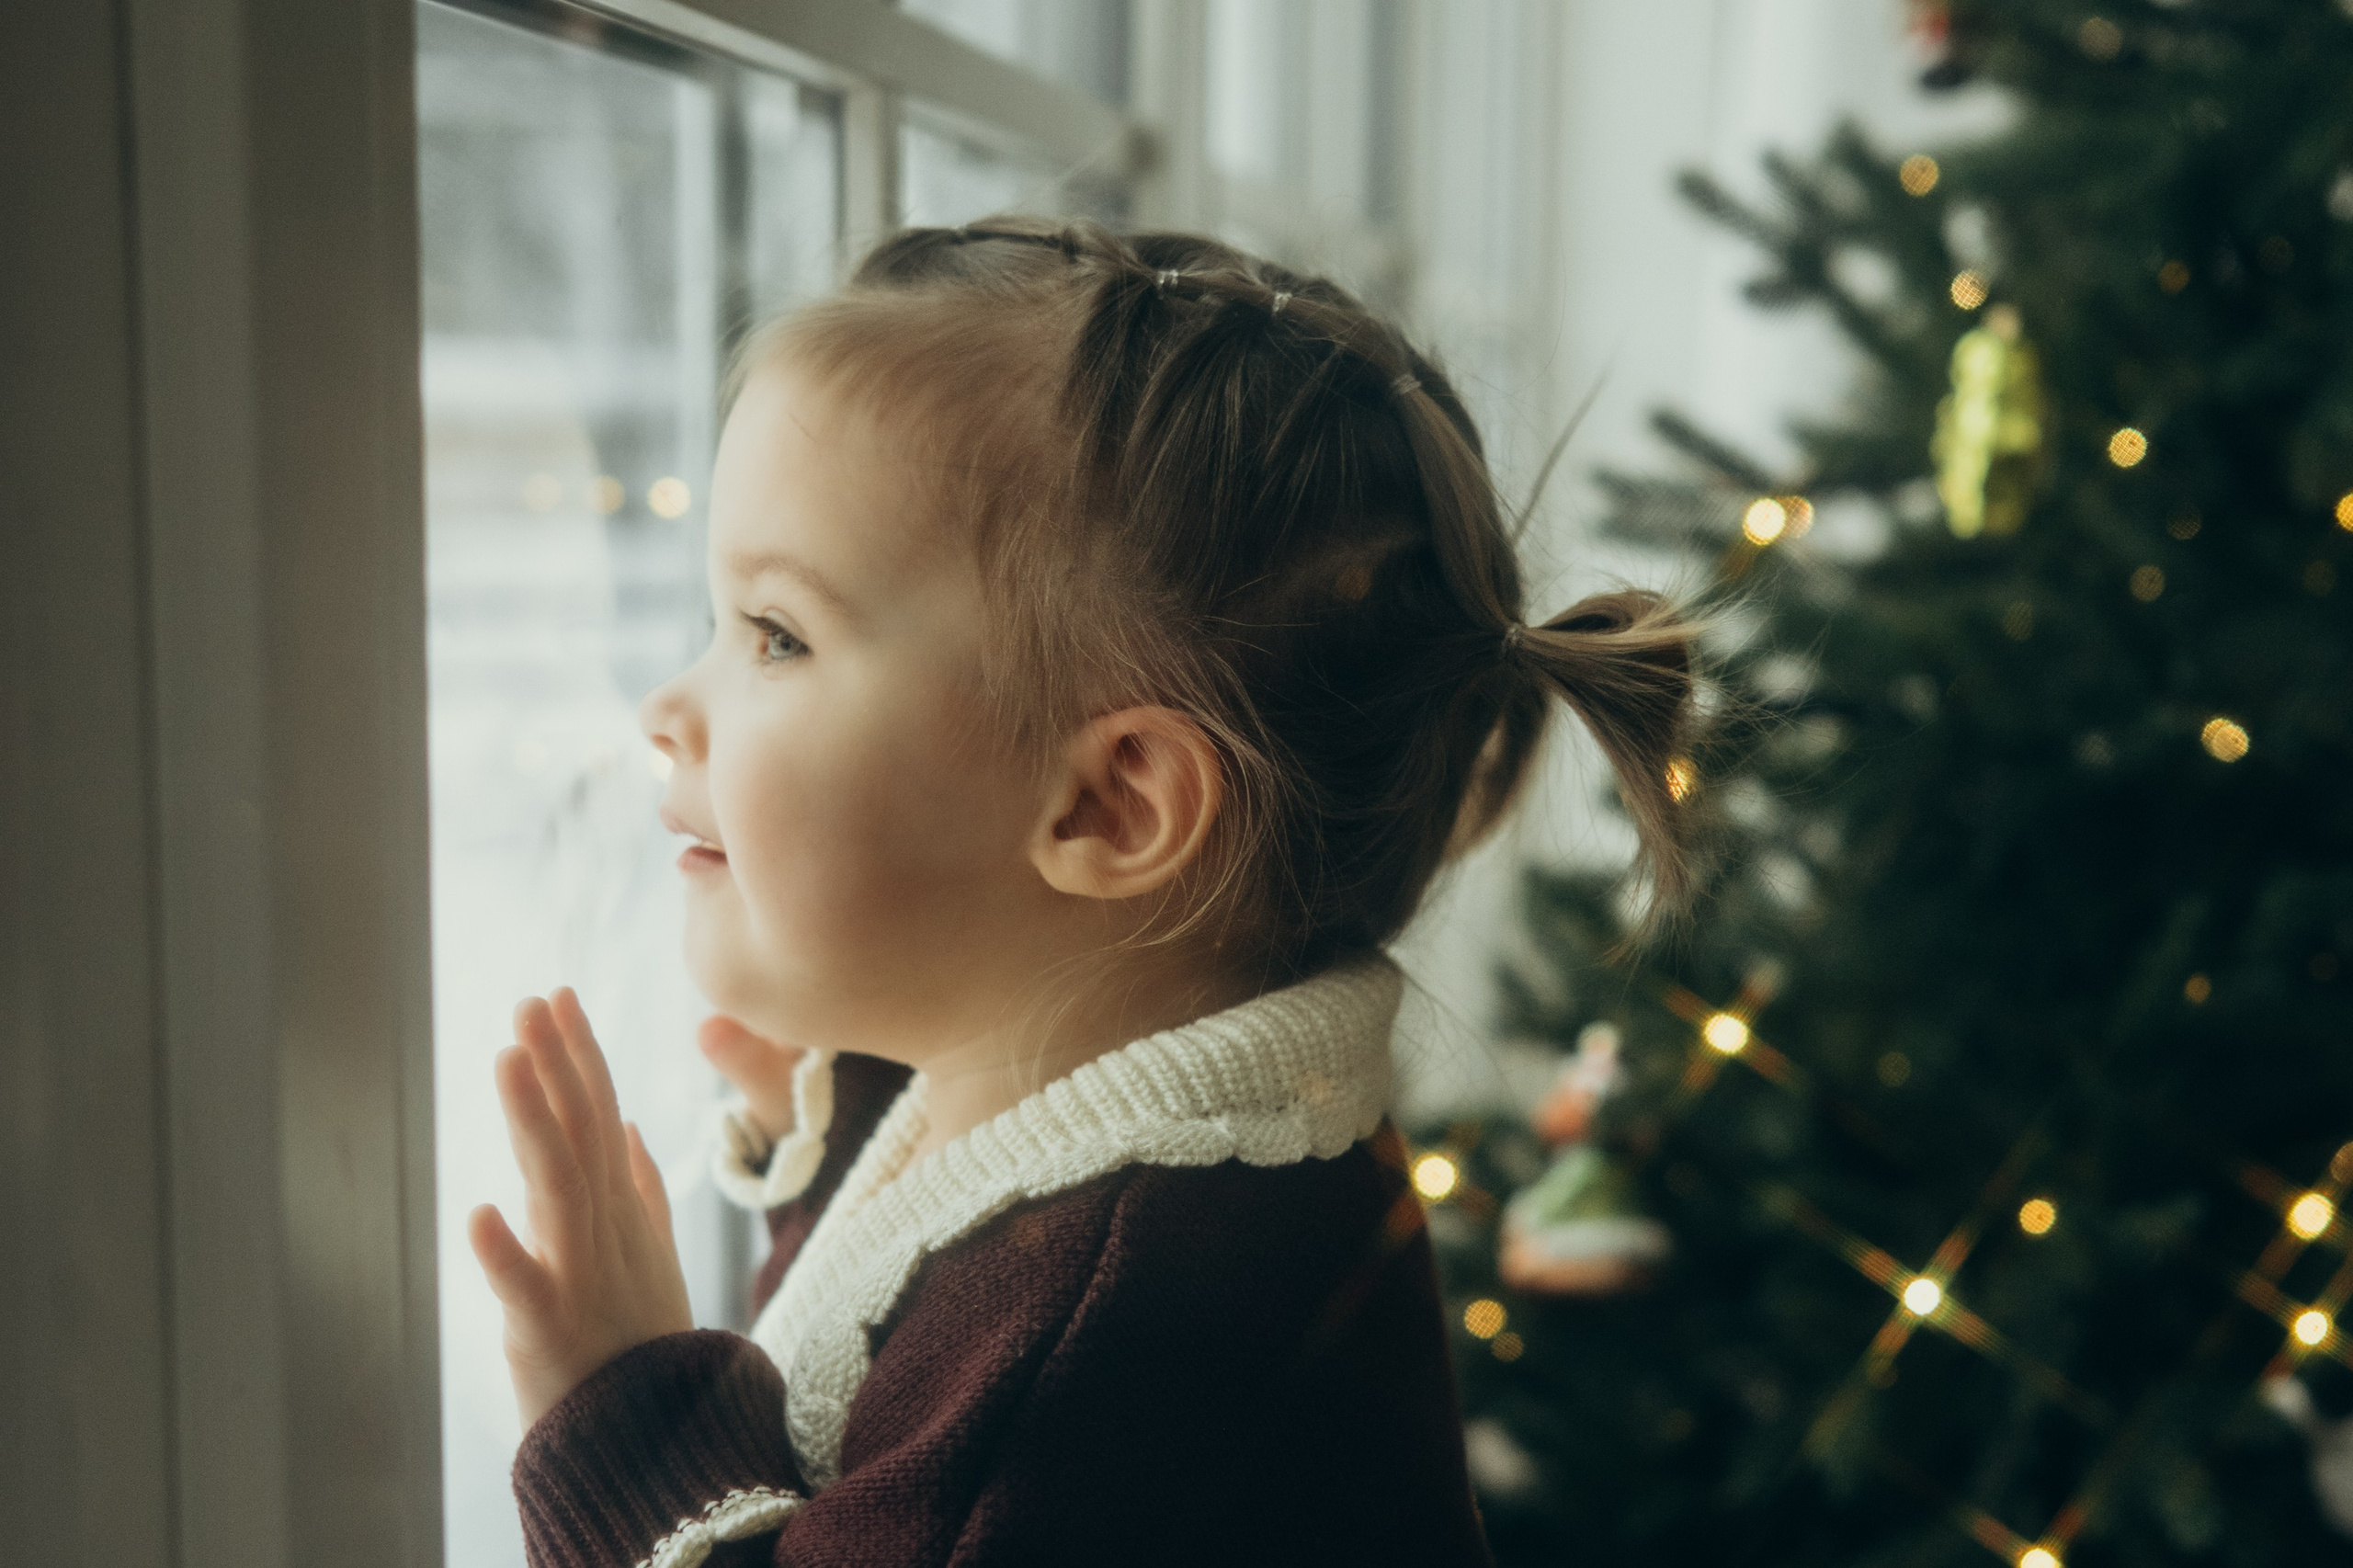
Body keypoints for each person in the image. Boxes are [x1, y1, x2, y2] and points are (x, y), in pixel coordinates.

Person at [467, 217, 1701, 1568]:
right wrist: (830, 1163)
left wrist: (633, 1430)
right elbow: (889, 1386)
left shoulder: (1105, 1325)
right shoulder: (1177, 1155)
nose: (668, 706)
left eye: (775, 634)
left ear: (1109, 806)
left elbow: (945, 1462)